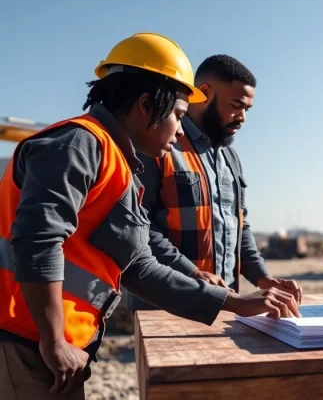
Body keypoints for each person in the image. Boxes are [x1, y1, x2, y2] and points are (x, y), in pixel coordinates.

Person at [0, 33, 300, 400]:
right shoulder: (78, 144)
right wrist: (53, 340)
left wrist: (234, 302)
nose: (179, 129)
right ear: (146, 105)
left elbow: (139, 266)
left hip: (52, 349)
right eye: (176, 115)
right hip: (25, 343)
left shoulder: (118, 163)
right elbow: (38, 239)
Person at [125, 54, 303, 315]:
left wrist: (263, 278)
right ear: (204, 92)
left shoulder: (230, 158)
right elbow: (138, 229)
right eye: (236, 105)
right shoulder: (158, 143)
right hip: (164, 308)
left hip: (225, 305)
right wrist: (192, 273)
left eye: (247, 109)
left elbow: (239, 227)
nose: (242, 117)